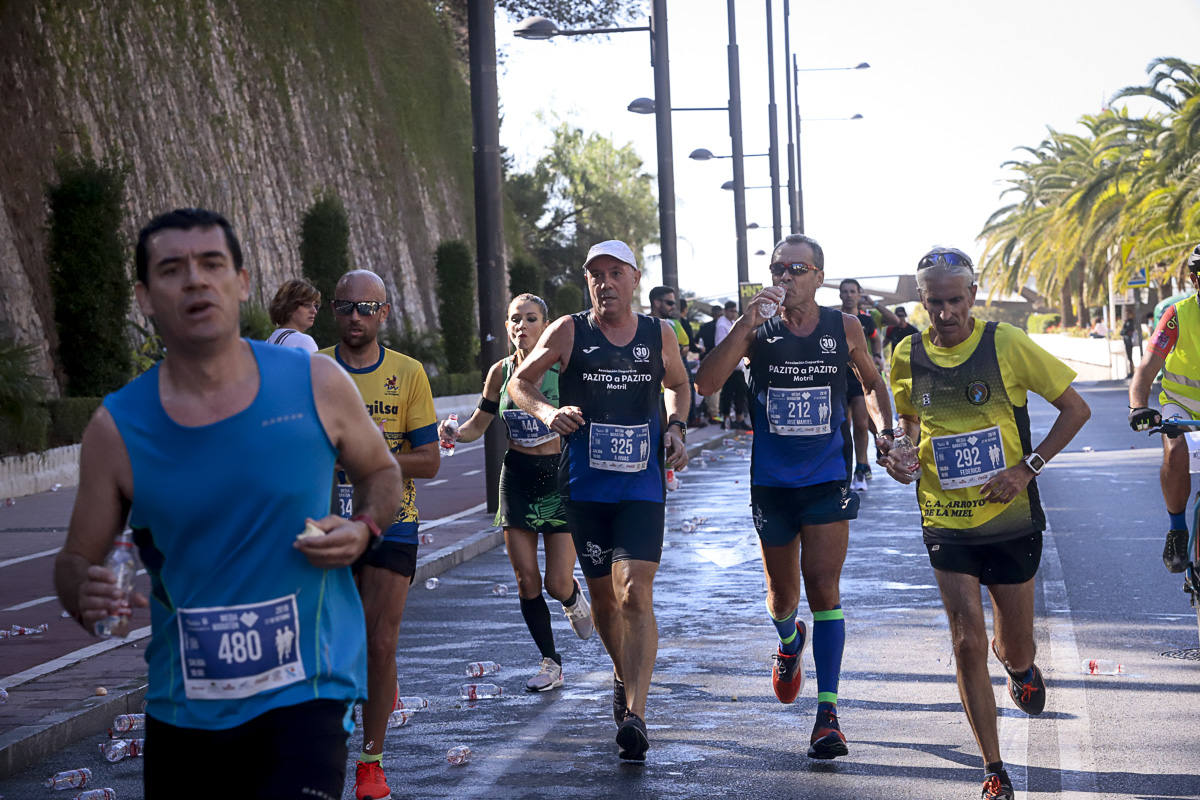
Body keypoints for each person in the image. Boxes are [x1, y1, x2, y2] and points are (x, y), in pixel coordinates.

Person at [53, 208, 404, 799]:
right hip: (184, 706)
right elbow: (74, 561)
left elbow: (381, 474)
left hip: (308, 690)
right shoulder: (118, 428)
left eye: (212, 264)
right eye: (172, 269)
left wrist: (364, 526)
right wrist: (82, 591)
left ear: (241, 283)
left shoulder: (315, 382)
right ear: (144, 295)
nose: (195, 281)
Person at [885, 246, 1090, 800]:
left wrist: (1027, 468)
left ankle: (1019, 666)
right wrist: (900, 453)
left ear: (973, 296)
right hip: (945, 517)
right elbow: (907, 422)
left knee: (1011, 643)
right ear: (921, 301)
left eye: (955, 301)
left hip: (1009, 518)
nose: (946, 313)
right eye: (934, 303)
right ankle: (994, 768)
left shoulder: (1006, 344)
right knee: (966, 641)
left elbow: (1077, 409)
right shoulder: (905, 354)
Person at [696, 233, 893, 761]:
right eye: (778, 268)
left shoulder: (842, 326)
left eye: (796, 269)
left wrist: (883, 432)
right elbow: (706, 382)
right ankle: (789, 642)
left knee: (824, 587)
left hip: (827, 479)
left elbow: (872, 385)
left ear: (819, 277)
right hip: (773, 485)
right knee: (783, 597)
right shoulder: (758, 328)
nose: (784, 277)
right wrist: (745, 326)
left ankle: (828, 714)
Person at [509, 239, 689, 763]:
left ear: (634, 278)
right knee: (606, 600)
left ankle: (637, 713)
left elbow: (678, 383)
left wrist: (676, 426)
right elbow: (522, 383)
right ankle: (619, 671)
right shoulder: (569, 330)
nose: (604, 282)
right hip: (585, 487)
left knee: (634, 590)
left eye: (615, 273)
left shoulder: (659, 333)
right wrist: (546, 412)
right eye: (595, 274)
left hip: (640, 485)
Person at [319, 269, 441, 800]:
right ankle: (323, 746)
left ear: (385, 312)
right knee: (328, 643)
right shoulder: (314, 369)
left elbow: (431, 460)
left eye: (367, 308)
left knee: (381, 641)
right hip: (326, 521)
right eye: (346, 307)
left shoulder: (408, 373)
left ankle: (371, 762)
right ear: (332, 310)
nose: (355, 318)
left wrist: (373, 462)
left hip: (394, 519)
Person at [437, 293, 594, 692]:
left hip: (559, 477)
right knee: (526, 579)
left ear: (546, 326)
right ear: (508, 327)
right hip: (518, 476)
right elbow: (478, 423)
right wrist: (455, 432)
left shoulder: (564, 368)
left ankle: (573, 598)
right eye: (515, 319)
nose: (521, 326)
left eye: (531, 318)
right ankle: (550, 662)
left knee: (555, 583)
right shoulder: (499, 372)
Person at [1129, 244, 1200, 573]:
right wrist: (1137, 406)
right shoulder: (1177, 316)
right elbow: (1146, 368)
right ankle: (1177, 528)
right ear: (1194, 280)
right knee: (1175, 450)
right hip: (1182, 405)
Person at [837, 279, 884, 490]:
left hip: (859, 377)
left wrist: (876, 356)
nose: (848, 295)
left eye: (852, 291)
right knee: (842, 425)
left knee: (861, 423)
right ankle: (843, 467)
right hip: (837, 377)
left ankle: (862, 465)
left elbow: (876, 338)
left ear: (858, 295)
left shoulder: (866, 320)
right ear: (840, 295)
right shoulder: (832, 319)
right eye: (844, 291)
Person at [716, 300, 751, 430]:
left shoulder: (731, 323)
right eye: (731, 311)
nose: (733, 313)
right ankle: (726, 419)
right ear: (725, 311)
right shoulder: (722, 325)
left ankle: (739, 419)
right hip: (728, 365)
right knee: (728, 393)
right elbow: (721, 345)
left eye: (735, 311)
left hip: (737, 364)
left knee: (740, 393)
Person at [266, 277, 321, 352]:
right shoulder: (304, 342)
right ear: (290, 306)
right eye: (307, 305)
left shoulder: (269, 341)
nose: (314, 311)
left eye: (316, 306)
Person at [1120, 308, 1137, 378]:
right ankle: (1131, 371)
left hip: (1129, 341)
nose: (1126, 315)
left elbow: (1126, 331)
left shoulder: (1130, 322)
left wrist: (1124, 332)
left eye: (1127, 314)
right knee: (1129, 357)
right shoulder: (1127, 322)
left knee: (1130, 357)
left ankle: (1132, 372)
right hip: (1127, 340)